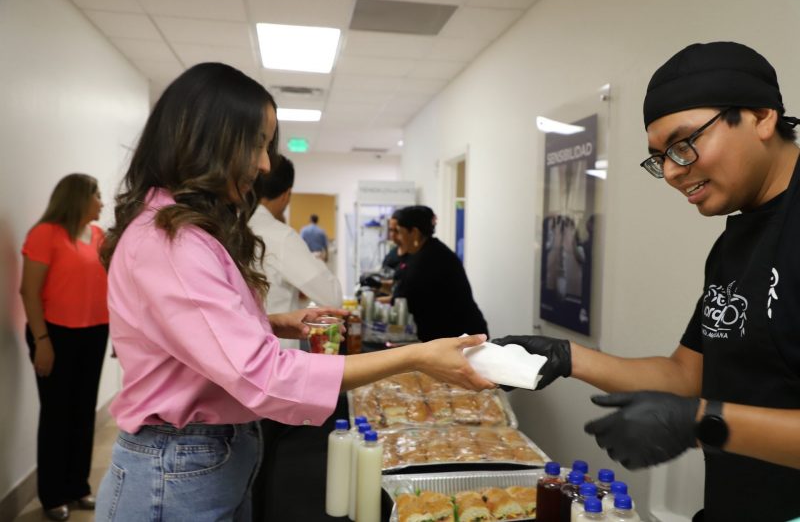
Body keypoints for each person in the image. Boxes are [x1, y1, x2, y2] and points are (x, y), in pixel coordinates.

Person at [94, 62, 493, 522]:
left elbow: (190, 332)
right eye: (256, 144)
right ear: (209, 140)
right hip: (179, 466)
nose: (265, 164)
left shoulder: (179, 233)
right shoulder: (172, 241)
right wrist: (415, 357)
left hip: (201, 459)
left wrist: (270, 323)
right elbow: (263, 376)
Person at [493, 42, 800, 521]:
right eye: (660, 157)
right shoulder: (735, 242)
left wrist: (700, 423)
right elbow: (688, 375)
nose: (673, 171)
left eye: (683, 143)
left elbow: (698, 407)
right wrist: (566, 357)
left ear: (761, 117)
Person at [19, 173, 108, 521]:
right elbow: (29, 292)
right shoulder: (45, 234)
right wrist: (42, 341)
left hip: (94, 332)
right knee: (57, 414)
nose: (102, 202)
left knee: (84, 412)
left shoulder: (98, 236)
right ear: (79, 198)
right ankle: (53, 494)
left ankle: (78, 486)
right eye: (97, 195)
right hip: (54, 335)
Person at [249, 155, 342, 349]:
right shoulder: (281, 236)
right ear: (287, 194)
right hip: (275, 350)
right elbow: (332, 297)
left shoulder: (231, 225)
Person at [392, 205, 489, 341]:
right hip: (448, 333)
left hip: (461, 334)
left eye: (399, 232)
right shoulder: (425, 252)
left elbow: (403, 297)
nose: (397, 238)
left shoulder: (430, 258)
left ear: (414, 232)